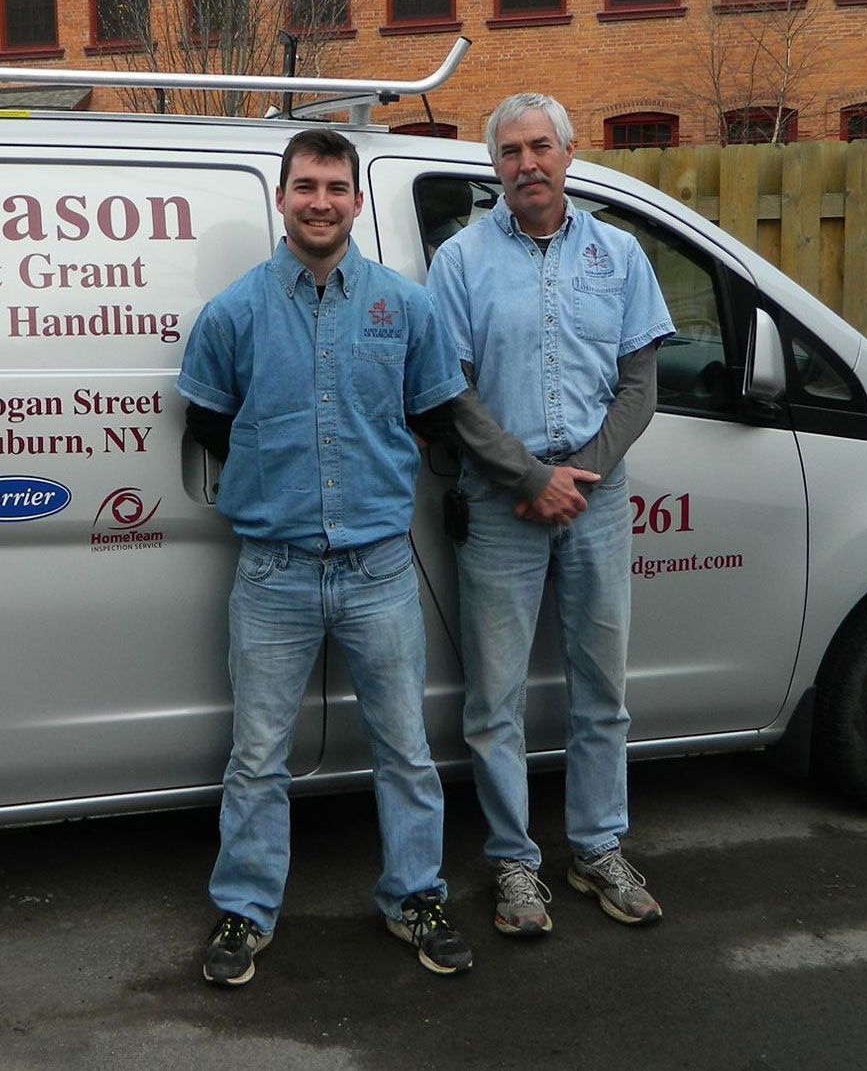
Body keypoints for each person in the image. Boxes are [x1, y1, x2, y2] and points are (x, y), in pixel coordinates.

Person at [179, 128, 476, 986]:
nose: (320, 200)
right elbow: (207, 424)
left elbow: (434, 417)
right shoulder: (233, 313)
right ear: (281, 197)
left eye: (336, 187)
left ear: (354, 199)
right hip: (273, 572)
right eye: (305, 185)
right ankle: (244, 911)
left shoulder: (402, 307)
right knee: (256, 756)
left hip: (379, 567)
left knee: (406, 750)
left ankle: (414, 895)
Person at [427, 92, 675, 937]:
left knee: (602, 690)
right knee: (494, 699)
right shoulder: (459, 262)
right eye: (509, 152)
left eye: (541, 148)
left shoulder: (620, 253)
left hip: (597, 504)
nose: (526, 164)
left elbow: (642, 384)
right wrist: (530, 476)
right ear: (492, 166)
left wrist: (583, 476)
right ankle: (513, 863)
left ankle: (598, 847)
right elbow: (447, 392)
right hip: (499, 503)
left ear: (571, 153)